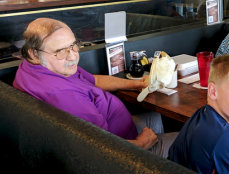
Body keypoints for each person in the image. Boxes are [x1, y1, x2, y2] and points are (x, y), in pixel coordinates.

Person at [13, 18, 177, 158]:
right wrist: (142, 144)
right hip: (124, 153)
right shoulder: (63, 95)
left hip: (117, 130)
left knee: (156, 117)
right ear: (34, 54)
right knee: (192, 140)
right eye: (60, 51)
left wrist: (137, 83)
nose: (73, 56)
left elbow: (93, 80)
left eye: (73, 45)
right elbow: (100, 150)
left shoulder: (37, 67)